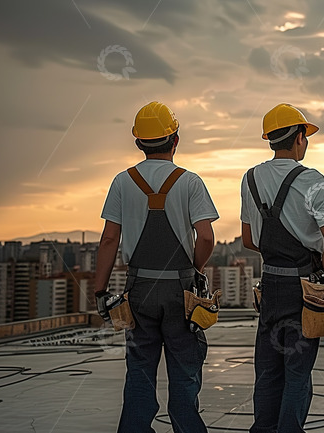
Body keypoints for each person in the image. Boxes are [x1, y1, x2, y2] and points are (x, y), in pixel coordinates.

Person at [94, 101, 219, 433]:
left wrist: (99, 291)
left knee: (139, 374)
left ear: (138, 143)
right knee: (184, 375)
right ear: (175, 140)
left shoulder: (122, 182)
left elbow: (109, 240)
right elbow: (206, 237)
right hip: (181, 291)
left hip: (139, 292)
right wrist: (194, 269)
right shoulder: (190, 182)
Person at [241, 103, 324, 432]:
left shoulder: (250, 178)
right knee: (298, 372)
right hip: (303, 288)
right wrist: (319, 279)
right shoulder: (313, 180)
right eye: (305, 136)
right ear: (299, 137)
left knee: (268, 371)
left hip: (270, 285)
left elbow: (249, 240)